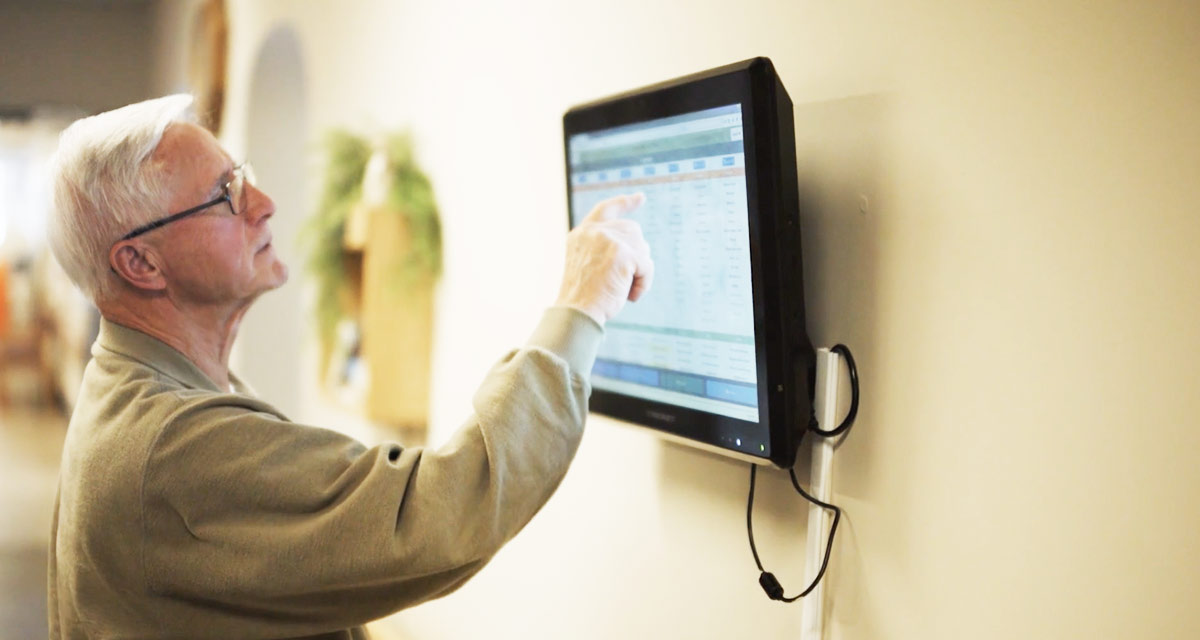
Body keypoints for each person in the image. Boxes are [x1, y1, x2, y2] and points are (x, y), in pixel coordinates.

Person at [45, 94, 652, 639]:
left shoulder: (144, 383)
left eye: (242, 176)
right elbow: (435, 516)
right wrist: (580, 304)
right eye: (223, 196)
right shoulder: (173, 444)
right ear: (141, 264)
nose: (263, 204)